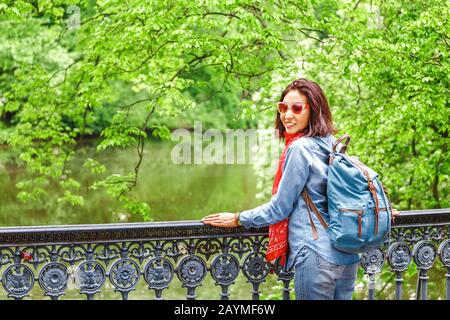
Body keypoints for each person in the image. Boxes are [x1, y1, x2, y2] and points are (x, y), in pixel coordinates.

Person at [202, 78, 398, 300]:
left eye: (297, 108)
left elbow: (280, 208)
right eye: (283, 108)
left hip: (315, 254)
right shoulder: (332, 143)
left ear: (313, 110)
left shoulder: (300, 148)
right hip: (347, 254)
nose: (287, 115)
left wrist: (239, 218)